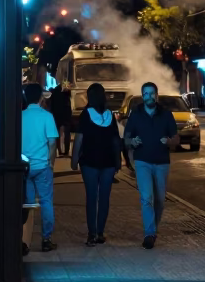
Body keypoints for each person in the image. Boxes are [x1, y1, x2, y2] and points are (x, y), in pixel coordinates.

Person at [123, 81, 179, 249]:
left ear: (157, 95)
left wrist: (169, 141)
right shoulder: (135, 115)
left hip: (162, 163)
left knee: (160, 200)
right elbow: (126, 140)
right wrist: (132, 141)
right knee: (146, 198)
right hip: (142, 162)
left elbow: (176, 139)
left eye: (151, 93)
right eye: (145, 93)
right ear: (143, 96)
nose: (149, 96)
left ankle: (152, 228)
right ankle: (149, 233)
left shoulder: (166, 115)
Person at [71, 82, 121, 246]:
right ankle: (100, 232)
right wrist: (118, 161)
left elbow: (79, 139)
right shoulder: (110, 115)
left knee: (91, 197)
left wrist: (74, 159)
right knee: (104, 198)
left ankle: (91, 233)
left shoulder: (86, 115)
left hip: (89, 163)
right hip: (108, 163)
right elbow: (115, 141)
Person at [21, 82, 59, 252]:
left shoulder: (19, 117)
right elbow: (52, 142)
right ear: (40, 98)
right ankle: (46, 239)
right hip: (43, 166)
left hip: (24, 167)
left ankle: (24, 242)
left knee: (27, 205)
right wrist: (51, 163)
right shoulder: (47, 116)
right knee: (46, 202)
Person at [49, 85, 73, 157]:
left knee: (58, 133)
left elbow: (52, 104)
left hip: (57, 113)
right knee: (67, 133)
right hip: (66, 113)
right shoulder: (66, 89)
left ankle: (59, 151)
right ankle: (66, 151)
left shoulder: (55, 91)